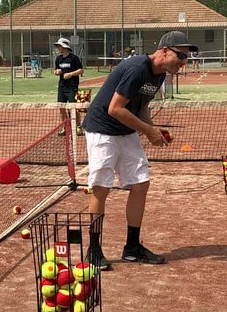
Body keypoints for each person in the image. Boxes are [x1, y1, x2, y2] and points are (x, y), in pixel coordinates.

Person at [82, 30, 194, 269]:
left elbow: (141, 106)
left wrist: (152, 129)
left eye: (186, 58)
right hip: (102, 129)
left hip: (126, 130)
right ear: (165, 51)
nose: (183, 63)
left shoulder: (160, 75)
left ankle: (132, 248)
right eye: (181, 56)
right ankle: (93, 250)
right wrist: (147, 130)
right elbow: (115, 108)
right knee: (101, 187)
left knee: (141, 184)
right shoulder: (136, 68)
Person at [53, 37, 84, 134]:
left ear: (64, 46)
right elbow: (55, 70)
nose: (58, 47)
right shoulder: (58, 59)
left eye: (59, 46)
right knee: (61, 107)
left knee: (74, 108)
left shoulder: (74, 58)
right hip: (62, 87)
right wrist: (56, 72)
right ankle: (65, 127)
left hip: (72, 87)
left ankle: (78, 126)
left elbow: (81, 70)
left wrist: (70, 74)